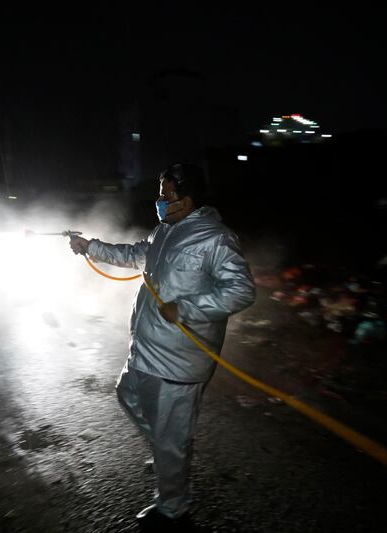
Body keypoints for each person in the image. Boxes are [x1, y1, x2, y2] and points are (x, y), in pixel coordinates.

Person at [69, 162, 256, 524]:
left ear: (188, 200)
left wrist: (187, 308)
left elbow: (241, 290)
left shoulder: (215, 238)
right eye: (160, 193)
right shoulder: (164, 232)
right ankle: (169, 453)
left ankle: (173, 508)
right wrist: (89, 245)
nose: (160, 200)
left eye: (166, 194)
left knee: (171, 437)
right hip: (146, 348)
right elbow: (130, 255)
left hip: (179, 361)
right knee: (128, 395)